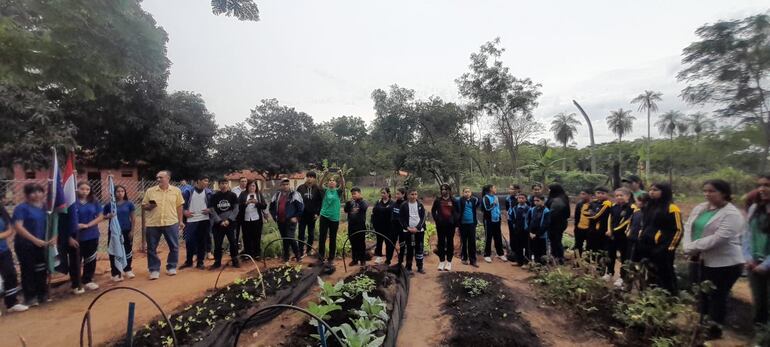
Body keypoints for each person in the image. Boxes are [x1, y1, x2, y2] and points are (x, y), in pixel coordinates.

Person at [682, 179, 744, 339]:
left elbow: (719, 238)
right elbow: (689, 227)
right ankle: (702, 326)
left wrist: (691, 247)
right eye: (705, 191)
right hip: (701, 259)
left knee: (717, 296)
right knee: (702, 294)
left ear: (723, 193)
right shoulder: (701, 208)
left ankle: (714, 330)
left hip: (725, 263)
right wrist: (688, 245)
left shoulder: (732, 214)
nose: (707, 194)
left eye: (711, 191)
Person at [638, 183, 683, 293]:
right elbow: (645, 225)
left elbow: (678, 230)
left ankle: (671, 297)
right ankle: (652, 296)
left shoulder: (672, 208)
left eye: (656, 190)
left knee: (666, 274)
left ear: (664, 192)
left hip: (663, 248)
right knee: (651, 273)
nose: (652, 192)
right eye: (651, 189)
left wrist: (669, 248)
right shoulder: (649, 206)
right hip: (648, 246)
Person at [12, 183, 53, 305]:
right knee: (28, 270)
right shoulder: (22, 208)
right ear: (27, 194)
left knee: (41, 270)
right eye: (33, 192)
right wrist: (34, 240)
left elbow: (52, 223)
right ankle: (30, 297)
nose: (37, 194)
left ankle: (42, 294)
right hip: (25, 244)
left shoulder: (46, 207)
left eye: (39, 191)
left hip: (42, 243)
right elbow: (18, 227)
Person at [142, 170, 185, 280]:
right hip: (153, 224)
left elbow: (179, 206)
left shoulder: (176, 191)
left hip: (171, 222)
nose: (158, 179)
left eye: (161, 177)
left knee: (174, 246)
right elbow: (144, 205)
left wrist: (180, 221)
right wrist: (149, 207)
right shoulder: (150, 191)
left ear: (168, 178)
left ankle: (171, 267)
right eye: (157, 177)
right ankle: (154, 269)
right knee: (151, 248)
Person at [743, 174, 770, 325]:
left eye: (767, 185)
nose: (761, 189)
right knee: (759, 303)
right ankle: (760, 336)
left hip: (765, 264)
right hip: (754, 263)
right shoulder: (754, 208)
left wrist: (766, 265)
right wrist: (748, 257)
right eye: (759, 185)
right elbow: (746, 235)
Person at [71, 181, 105, 293]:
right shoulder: (71, 201)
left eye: (87, 189)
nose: (85, 191)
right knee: (75, 260)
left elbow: (101, 216)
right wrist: (76, 225)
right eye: (82, 189)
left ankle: (88, 279)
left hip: (92, 234)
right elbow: (64, 218)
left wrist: (88, 225)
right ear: (77, 189)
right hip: (75, 236)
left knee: (90, 258)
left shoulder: (94, 201)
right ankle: (76, 284)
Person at [103, 185, 136, 281]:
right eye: (118, 191)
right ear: (114, 193)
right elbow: (103, 216)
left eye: (122, 191)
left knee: (127, 249)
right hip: (114, 232)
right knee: (114, 250)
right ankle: (115, 273)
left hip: (126, 230)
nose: (120, 193)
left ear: (125, 192)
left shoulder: (129, 204)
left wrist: (132, 231)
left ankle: (127, 269)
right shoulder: (109, 205)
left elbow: (133, 218)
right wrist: (108, 216)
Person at [0, 206, 29, 314]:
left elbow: (11, 228)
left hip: (3, 250)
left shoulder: (1, 210)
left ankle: (12, 303)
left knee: (10, 274)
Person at [181, 177, 213, 270]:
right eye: (205, 180)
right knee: (189, 241)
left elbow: (214, 205)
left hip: (204, 219)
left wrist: (210, 210)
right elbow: (180, 204)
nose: (207, 182)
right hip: (191, 220)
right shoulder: (188, 192)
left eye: (207, 180)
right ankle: (189, 261)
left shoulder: (209, 192)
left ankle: (200, 262)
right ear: (198, 181)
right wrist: (184, 212)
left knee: (202, 242)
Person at [270, 179, 304, 263]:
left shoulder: (295, 194)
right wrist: (275, 216)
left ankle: (298, 256)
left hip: (290, 220)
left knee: (290, 237)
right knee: (285, 238)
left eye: (287, 184)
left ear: (289, 185)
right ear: (281, 185)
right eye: (283, 184)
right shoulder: (277, 195)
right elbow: (271, 207)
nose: (285, 186)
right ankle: (286, 256)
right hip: (281, 220)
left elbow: (301, 207)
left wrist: (296, 217)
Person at [605, 188, 633, 286]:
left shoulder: (631, 208)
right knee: (610, 254)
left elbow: (627, 221)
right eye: (617, 196)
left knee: (624, 256)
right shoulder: (613, 206)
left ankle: (622, 276)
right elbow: (610, 218)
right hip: (612, 235)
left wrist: (614, 230)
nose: (619, 197)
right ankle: (609, 272)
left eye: (621, 195)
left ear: (628, 196)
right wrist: (609, 230)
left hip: (623, 236)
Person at [210, 179, 240, 268]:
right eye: (222, 183)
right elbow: (212, 210)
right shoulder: (214, 196)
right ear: (219, 185)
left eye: (226, 183)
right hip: (218, 225)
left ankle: (235, 260)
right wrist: (219, 221)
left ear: (228, 184)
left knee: (233, 242)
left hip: (230, 224)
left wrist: (229, 220)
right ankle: (217, 262)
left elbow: (236, 209)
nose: (224, 185)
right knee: (218, 244)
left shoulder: (233, 195)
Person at [318, 175, 344, 269]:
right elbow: (319, 185)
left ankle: (331, 258)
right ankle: (321, 256)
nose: (332, 181)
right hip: (324, 216)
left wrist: (341, 176)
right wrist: (324, 174)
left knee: (333, 238)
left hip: (334, 218)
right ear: (328, 183)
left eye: (333, 180)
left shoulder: (338, 191)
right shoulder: (325, 191)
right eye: (330, 180)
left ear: (336, 183)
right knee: (322, 236)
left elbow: (343, 186)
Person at [238, 180, 268, 259]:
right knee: (247, 237)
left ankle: (257, 254)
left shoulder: (258, 194)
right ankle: (248, 254)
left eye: (254, 186)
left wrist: (257, 203)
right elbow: (238, 206)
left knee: (257, 237)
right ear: (247, 187)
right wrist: (246, 203)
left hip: (257, 219)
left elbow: (264, 205)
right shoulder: (243, 194)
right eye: (250, 186)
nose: (252, 187)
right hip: (245, 219)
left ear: (256, 187)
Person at [399, 188, 427, 274]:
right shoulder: (404, 205)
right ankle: (408, 267)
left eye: (415, 194)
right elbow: (401, 218)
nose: (414, 196)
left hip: (419, 230)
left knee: (419, 248)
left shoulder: (420, 205)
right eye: (412, 194)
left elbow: (423, 217)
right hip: (407, 231)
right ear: (408, 195)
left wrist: (417, 228)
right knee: (409, 249)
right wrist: (407, 227)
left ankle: (420, 267)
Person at [432, 184, 459, 271]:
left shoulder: (453, 200)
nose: (443, 191)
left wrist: (454, 221)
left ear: (449, 190)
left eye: (445, 189)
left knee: (450, 242)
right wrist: (437, 219)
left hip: (450, 226)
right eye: (442, 189)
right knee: (441, 242)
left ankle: (449, 262)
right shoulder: (438, 200)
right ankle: (442, 261)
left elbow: (458, 212)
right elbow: (433, 211)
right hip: (440, 225)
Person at [296, 172, 323, 259]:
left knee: (311, 234)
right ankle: (300, 251)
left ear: (314, 179)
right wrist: (297, 213)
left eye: (311, 177)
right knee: (301, 234)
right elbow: (296, 201)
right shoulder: (300, 188)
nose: (309, 179)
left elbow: (321, 202)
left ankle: (309, 250)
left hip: (312, 216)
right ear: (306, 178)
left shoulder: (318, 189)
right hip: (302, 216)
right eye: (308, 177)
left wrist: (317, 213)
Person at [481, 184, 506, 263]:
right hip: (488, 221)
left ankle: (500, 254)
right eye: (494, 187)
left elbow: (498, 208)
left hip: (496, 220)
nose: (496, 188)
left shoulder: (496, 197)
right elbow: (487, 208)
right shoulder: (485, 198)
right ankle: (487, 255)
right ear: (490, 189)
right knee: (488, 237)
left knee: (498, 237)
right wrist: (494, 203)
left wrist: (499, 217)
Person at [345, 187, 369, 266]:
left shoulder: (363, 201)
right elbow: (345, 210)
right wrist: (348, 203)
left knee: (361, 243)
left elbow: (364, 207)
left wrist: (358, 200)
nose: (353, 196)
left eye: (355, 194)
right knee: (353, 243)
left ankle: (362, 260)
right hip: (351, 226)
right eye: (352, 194)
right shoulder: (351, 202)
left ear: (359, 193)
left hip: (360, 226)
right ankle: (354, 259)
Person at [546, 184, 570, 263]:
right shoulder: (563, 198)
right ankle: (556, 255)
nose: (548, 191)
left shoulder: (557, 200)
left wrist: (547, 220)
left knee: (556, 240)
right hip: (561, 222)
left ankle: (559, 256)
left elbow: (553, 213)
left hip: (556, 224)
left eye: (550, 189)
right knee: (555, 240)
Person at [371, 188, 395, 265]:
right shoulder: (378, 202)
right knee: (379, 242)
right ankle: (379, 257)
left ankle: (388, 259)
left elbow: (390, 211)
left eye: (384, 193)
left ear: (388, 194)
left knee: (388, 243)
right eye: (381, 193)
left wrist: (381, 209)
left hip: (389, 227)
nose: (382, 195)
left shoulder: (392, 203)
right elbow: (374, 211)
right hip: (379, 226)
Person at [457, 188, 480, 267]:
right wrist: (457, 225)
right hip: (463, 224)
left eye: (469, 192)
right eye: (465, 192)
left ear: (471, 193)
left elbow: (478, 200)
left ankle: (473, 260)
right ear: (463, 193)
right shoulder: (460, 200)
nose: (467, 193)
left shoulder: (474, 200)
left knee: (472, 242)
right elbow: (457, 212)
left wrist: (473, 195)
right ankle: (464, 258)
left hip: (472, 224)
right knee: (464, 242)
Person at [586, 187, 612, 253]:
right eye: (598, 193)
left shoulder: (608, 205)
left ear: (607, 194)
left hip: (602, 230)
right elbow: (587, 213)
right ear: (595, 193)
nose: (600, 195)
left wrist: (592, 214)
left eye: (602, 193)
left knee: (600, 248)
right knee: (590, 246)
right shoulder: (593, 203)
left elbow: (598, 216)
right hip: (591, 229)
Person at [509, 193, 531, 266]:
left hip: (526, 231)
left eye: (522, 198)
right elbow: (512, 218)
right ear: (517, 199)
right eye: (519, 198)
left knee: (527, 247)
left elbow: (530, 220)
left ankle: (527, 262)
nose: (521, 199)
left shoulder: (529, 209)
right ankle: (519, 261)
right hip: (517, 230)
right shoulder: (514, 208)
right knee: (518, 246)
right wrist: (514, 225)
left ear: (526, 199)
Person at [527, 195, 550, 264]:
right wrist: (530, 232)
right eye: (534, 201)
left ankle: (543, 265)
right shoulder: (532, 209)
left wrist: (537, 234)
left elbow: (546, 225)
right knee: (533, 249)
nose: (535, 202)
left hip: (541, 235)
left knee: (542, 251)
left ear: (543, 201)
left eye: (538, 200)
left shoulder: (546, 211)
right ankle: (535, 264)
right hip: (532, 234)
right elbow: (529, 221)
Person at [386, 188, 406, 266]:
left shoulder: (405, 204)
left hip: (402, 227)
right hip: (393, 227)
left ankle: (400, 261)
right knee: (390, 243)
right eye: (396, 194)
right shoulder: (393, 204)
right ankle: (388, 260)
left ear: (403, 194)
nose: (396, 195)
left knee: (402, 244)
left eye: (398, 194)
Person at [627, 193, 648, 264]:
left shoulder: (649, 214)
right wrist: (628, 232)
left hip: (641, 241)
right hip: (632, 239)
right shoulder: (636, 212)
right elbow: (631, 223)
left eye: (639, 201)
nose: (637, 202)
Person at [573, 188, 593, 257]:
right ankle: (577, 261)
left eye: (584, 194)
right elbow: (576, 217)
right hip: (579, 228)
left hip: (589, 229)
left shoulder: (593, 205)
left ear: (590, 195)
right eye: (581, 194)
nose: (581, 196)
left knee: (589, 246)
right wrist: (576, 227)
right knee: (578, 245)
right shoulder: (579, 204)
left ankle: (588, 262)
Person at [231, 177, 248, 252]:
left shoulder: (249, 190)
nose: (244, 183)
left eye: (245, 181)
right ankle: (234, 249)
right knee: (236, 232)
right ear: (239, 182)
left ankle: (245, 248)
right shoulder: (234, 190)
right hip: (236, 214)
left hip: (246, 214)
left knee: (246, 232)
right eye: (242, 181)